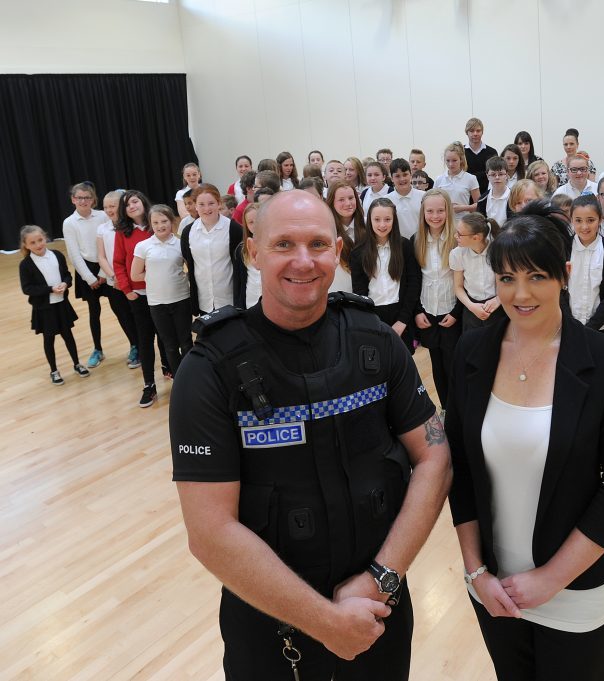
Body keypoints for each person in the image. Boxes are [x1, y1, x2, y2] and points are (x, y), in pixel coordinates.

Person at [170, 189, 451, 680]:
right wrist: (326, 622)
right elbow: (210, 533)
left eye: (319, 244)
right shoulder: (209, 369)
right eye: (284, 245)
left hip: (376, 609)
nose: (304, 261)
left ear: (337, 253)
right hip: (271, 630)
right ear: (253, 252)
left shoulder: (376, 341)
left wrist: (380, 580)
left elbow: (434, 458)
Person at [446, 206, 604, 681]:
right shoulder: (473, 352)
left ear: (565, 275)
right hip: (494, 587)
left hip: (574, 591)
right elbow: (461, 471)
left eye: (537, 276)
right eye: (507, 277)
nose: (520, 293)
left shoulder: (601, 360)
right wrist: (476, 572)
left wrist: (549, 580)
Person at [19, 225, 90, 384]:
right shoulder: (26, 265)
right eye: (33, 243)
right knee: (49, 339)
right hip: (44, 308)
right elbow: (27, 288)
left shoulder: (57, 255)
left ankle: (77, 364)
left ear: (45, 237)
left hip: (61, 305)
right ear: (26, 245)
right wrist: (50, 289)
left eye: (40, 240)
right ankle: (54, 370)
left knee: (68, 335)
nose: (38, 245)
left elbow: (67, 275)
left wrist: (65, 284)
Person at [351, 198, 421, 353]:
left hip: (401, 315)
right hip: (373, 316)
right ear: (369, 220)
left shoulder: (405, 246)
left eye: (387, 219)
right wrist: (371, 321)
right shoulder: (358, 252)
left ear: (394, 220)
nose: (382, 225)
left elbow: (413, 284)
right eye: (377, 219)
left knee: (403, 363)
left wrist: (403, 320)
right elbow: (359, 291)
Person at [130, 204, 192, 377]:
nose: (160, 225)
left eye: (164, 221)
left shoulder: (181, 244)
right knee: (170, 345)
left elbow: (191, 269)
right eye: (155, 222)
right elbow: (135, 275)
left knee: (186, 342)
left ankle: (192, 378)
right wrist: (155, 277)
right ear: (150, 224)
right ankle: (179, 379)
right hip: (157, 303)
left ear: (171, 221)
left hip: (181, 299)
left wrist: (181, 278)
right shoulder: (143, 246)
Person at [413, 189, 461, 411]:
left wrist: (456, 313)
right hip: (427, 312)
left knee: (453, 365)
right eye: (430, 211)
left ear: (448, 211)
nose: (435, 216)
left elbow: (465, 280)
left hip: (451, 311)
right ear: (423, 213)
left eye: (440, 211)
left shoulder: (456, 240)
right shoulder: (416, 241)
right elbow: (412, 280)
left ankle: (457, 410)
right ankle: (444, 409)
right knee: (436, 366)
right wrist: (417, 311)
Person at [113, 190, 161, 407]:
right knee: (145, 339)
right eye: (126, 205)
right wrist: (126, 289)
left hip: (162, 292)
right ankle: (149, 384)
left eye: (134, 201)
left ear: (143, 202)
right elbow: (119, 263)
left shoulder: (157, 224)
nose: (131, 206)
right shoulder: (122, 233)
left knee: (166, 336)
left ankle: (170, 370)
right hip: (138, 294)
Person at [62, 181, 112, 368]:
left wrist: (103, 273)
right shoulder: (69, 223)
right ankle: (98, 349)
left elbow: (108, 243)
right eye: (79, 197)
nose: (83, 201)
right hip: (86, 270)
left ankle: (134, 345)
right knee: (94, 311)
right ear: (73, 199)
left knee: (120, 307)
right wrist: (90, 278)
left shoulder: (103, 216)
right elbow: (74, 254)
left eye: (87, 197)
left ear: (93, 199)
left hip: (106, 267)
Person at [181, 184, 244, 316]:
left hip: (229, 299)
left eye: (211, 203)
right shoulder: (188, 232)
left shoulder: (234, 229)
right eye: (201, 204)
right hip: (204, 300)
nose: (207, 208)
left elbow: (241, 264)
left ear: (219, 204)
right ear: (195, 206)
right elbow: (189, 262)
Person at [95, 189, 139, 367]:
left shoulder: (130, 227)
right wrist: (114, 277)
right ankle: (134, 345)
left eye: (112, 206)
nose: (108, 210)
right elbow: (101, 256)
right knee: (122, 315)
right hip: (115, 281)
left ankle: (143, 346)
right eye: (105, 207)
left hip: (133, 280)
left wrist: (126, 278)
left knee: (137, 314)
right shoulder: (102, 228)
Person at [567, 194, 604, 330]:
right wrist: (569, 322)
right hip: (567, 325)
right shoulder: (563, 248)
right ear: (571, 220)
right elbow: (557, 289)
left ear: (600, 220)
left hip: (600, 328)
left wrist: (591, 327)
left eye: (590, 220)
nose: (584, 226)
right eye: (578, 220)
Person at [451, 212, 501, 331]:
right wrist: (471, 306)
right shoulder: (457, 254)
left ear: (476, 237)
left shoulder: (498, 250)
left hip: (498, 305)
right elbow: (458, 287)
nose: (455, 236)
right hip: (471, 307)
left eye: (459, 234)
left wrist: (498, 300)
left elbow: (507, 282)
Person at [386, 158, 426, 239]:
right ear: (391, 178)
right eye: (397, 176)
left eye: (405, 174)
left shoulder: (423, 196)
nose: (402, 179)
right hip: (397, 244)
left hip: (421, 243)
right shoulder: (386, 200)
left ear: (411, 175)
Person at [436, 142, 481, 214]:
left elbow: (479, 204)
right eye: (448, 160)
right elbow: (434, 202)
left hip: (463, 221)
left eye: (454, 160)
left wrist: (463, 208)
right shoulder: (439, 179)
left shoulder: (471, 178)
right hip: (444, 221)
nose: (451, 164)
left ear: (461, 160)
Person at [463, 117, 499, 195]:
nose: (475, 134)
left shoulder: (492, 152)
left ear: (482, 132)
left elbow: (495, 174)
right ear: (467, 132)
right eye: (472, 131)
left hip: (488, 194)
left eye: (478, 131)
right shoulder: (461, 152)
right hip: (466, 194)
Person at [476, 156, 513, 227]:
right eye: (493, 174)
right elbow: (480, 225)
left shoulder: (514, 197)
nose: (497, 177)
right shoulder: (482, 200)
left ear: (507, 175)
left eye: (501, 174)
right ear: (487, 176)